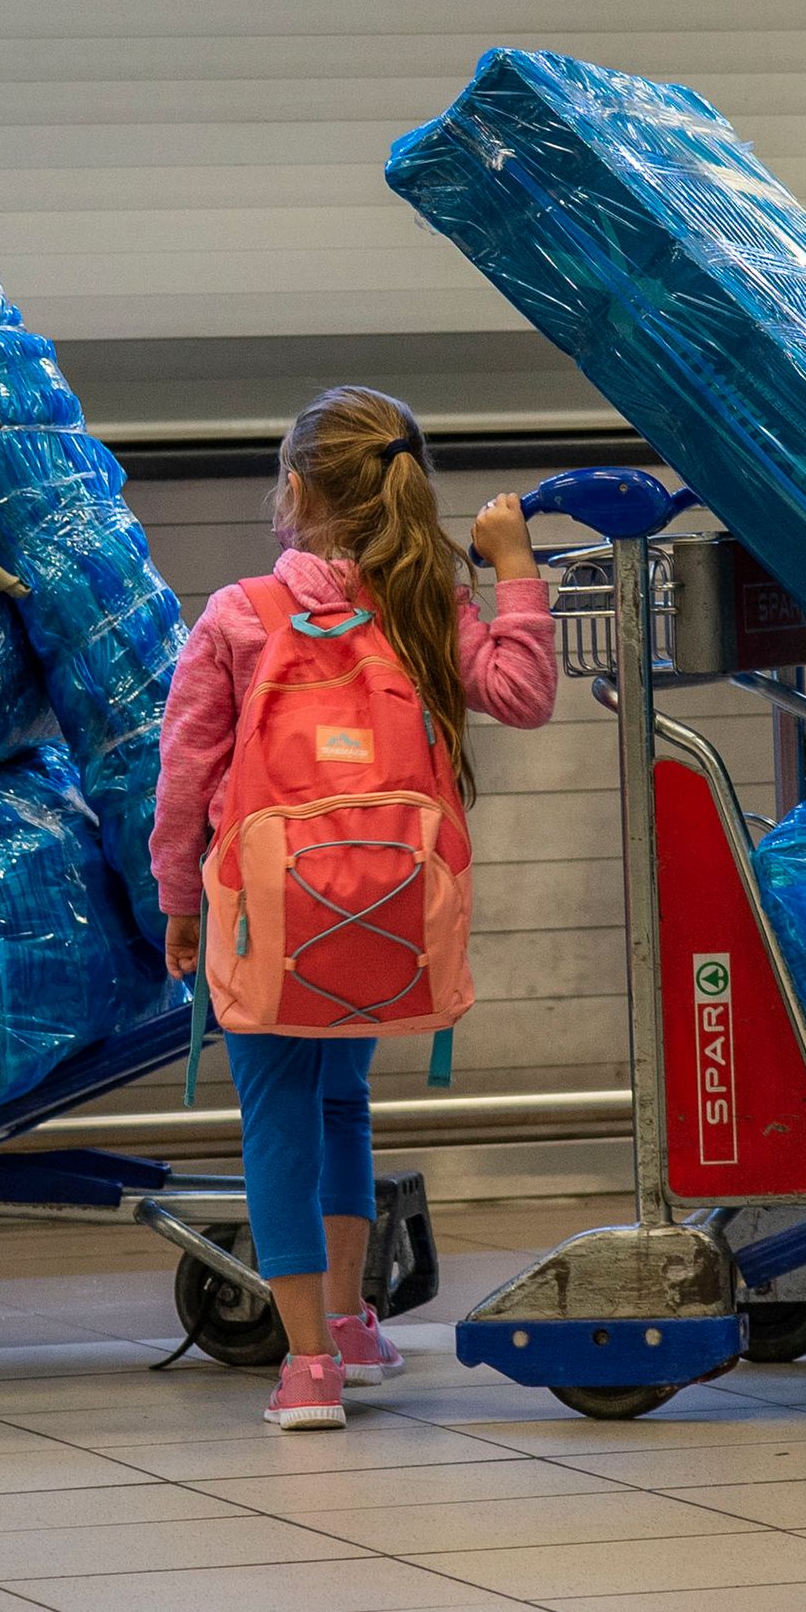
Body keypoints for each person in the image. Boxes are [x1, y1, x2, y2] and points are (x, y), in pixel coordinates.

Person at [149, 388, 558, 1431]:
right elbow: (521, 693)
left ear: (294, 489)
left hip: (275, 912)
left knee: (278, 1118)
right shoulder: (425, 602)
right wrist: (512, 567)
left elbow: (185, 776)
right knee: (340, 1102)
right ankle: (352, 1320)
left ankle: (307, 1367)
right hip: (386, 910)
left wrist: (180, 900)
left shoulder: (242, 612)